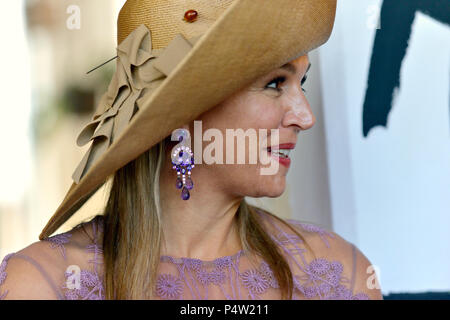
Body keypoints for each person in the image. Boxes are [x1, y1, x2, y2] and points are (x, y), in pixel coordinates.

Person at [0, 0, 383, 300]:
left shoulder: (336, 276)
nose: (305, 116)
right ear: (183, 116)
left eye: (302, 82)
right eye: (274, 83)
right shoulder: (43, 284)